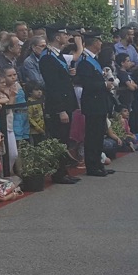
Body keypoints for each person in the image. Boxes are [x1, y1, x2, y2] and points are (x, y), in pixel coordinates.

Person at [37, 29, 80, 184]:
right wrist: (60, 109)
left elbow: (61, 78)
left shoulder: (56, 54)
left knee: (64, 138)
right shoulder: (48, 57)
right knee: (59, 138)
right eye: (64, 34)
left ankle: (63, 171)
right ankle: (59, 173)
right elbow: (53, 85)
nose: (66, 37)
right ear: (57, 37)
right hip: (58, 105)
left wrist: (70, 73)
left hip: (66, 101)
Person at [75, 34, 114, 177]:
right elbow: (87, 83)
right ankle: (92, 165)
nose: (101, 44)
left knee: (98, 135)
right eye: (99, 41)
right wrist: (104, 85)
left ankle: (98, 163)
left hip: (99, 102)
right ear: (95, 42)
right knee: (92, 136)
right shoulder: (85, 61)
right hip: (93, 103)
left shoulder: (93, 59)